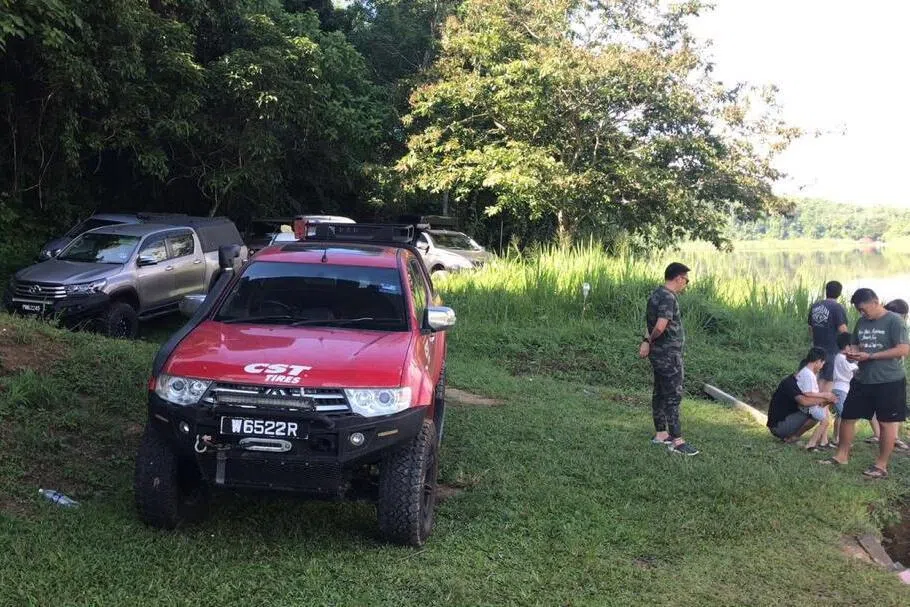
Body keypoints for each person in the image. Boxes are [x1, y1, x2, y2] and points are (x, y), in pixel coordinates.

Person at [821, 288, 910, 478]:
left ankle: (881, 465)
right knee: (848, 417)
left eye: (863, 309)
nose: (861, 313)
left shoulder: (894, 321)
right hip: (862, 379)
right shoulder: (862, 322)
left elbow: (903, 349)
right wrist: (852, 354)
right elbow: (856, 345)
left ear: (875, 302)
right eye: (858, 310)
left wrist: (871, 356)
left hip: (889, 381)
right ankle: (841, 456)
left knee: (886, 423)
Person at [639, 262, 699, 455]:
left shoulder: (656, 294)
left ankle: (661, 434)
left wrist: (647, 341)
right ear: (678, 278)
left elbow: (649, 323)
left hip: (658, 355)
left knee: (659, 393)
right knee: (673, 395)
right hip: (668, 355)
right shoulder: (668, 297)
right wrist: (650, 339)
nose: (685, 284)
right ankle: (677, 441)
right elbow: (660, 326)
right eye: (686, 280)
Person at [865, 299, 910, 451]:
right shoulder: (881, 324)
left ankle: (893, 437)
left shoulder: (900, 327)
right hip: (876, 372)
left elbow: (903, 350)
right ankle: (879, 434)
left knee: (893, 410)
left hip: (893, 374)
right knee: (877, 407)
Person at [767, 348, 837, 442]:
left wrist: (825, 399)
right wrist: (826, 398)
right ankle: (794, 437)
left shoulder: (799, 381)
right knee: (814, 414)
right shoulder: (790, 383)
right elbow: (804, 402)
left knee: (816, 411)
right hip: (779, 426)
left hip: (786, 419)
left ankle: (794, 437)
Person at [807, 281, 849, 392]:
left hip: (816, 348)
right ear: (839, 293)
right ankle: (822, 407)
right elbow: (843, 330)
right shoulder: (837, 307)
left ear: (826, 291)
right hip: (832, 350)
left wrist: (814, 342)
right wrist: (847, 347)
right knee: (829, 380)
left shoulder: (815, 306)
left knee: (819, 378)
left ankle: (817, 405)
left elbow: (810, 328)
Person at [794, 347, 837, 450]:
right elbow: (807, 393)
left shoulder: (807, 372)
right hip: (809, 405)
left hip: (811, 402)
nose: (822, 367)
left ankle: (819, 442)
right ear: (818, 361)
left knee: (826, 417)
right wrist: (824, 395)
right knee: (825, 421)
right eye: (822, 363)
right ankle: (811, 444)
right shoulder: (808, 374)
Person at [831, 332, 858, 447]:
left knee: (840, 415)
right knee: (845, 415)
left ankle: (836, 438)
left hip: (843, 388)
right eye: (852, 346)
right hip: (840, 389)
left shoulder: (841, 357)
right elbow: (854, 369)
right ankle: (842, 439)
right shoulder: (841, 358)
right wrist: (859, 360)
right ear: (847, 346)